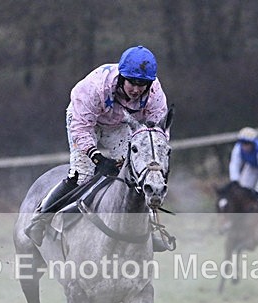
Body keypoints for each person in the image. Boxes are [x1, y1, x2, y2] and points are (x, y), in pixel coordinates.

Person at [25, 45, 169, 246]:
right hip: (84, 122)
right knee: (81, 174)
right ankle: (40, 217)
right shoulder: (94, 88)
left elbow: (156, 134)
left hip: (118, 125)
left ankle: (151, 228)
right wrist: (97, 158)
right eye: (132, 83)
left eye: (142, 84)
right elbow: (81, 129)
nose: (137, 90)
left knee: (136, 172)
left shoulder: (155, 93)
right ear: (121, 77)